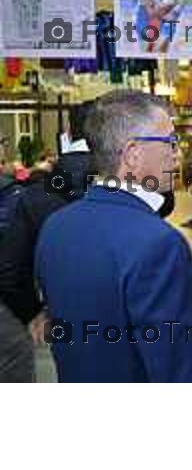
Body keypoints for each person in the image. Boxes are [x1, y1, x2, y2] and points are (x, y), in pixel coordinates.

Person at [35, 90, 192, 383]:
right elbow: (181, 366)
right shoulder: (159, 243)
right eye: (170, 142)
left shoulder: (56, 227)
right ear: (133, 153)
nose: (177, 153)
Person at [0, 131, 93, 383]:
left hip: (58, 312)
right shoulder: (125, 189)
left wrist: (32, 312)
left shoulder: (33, 197)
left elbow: (9, 272)